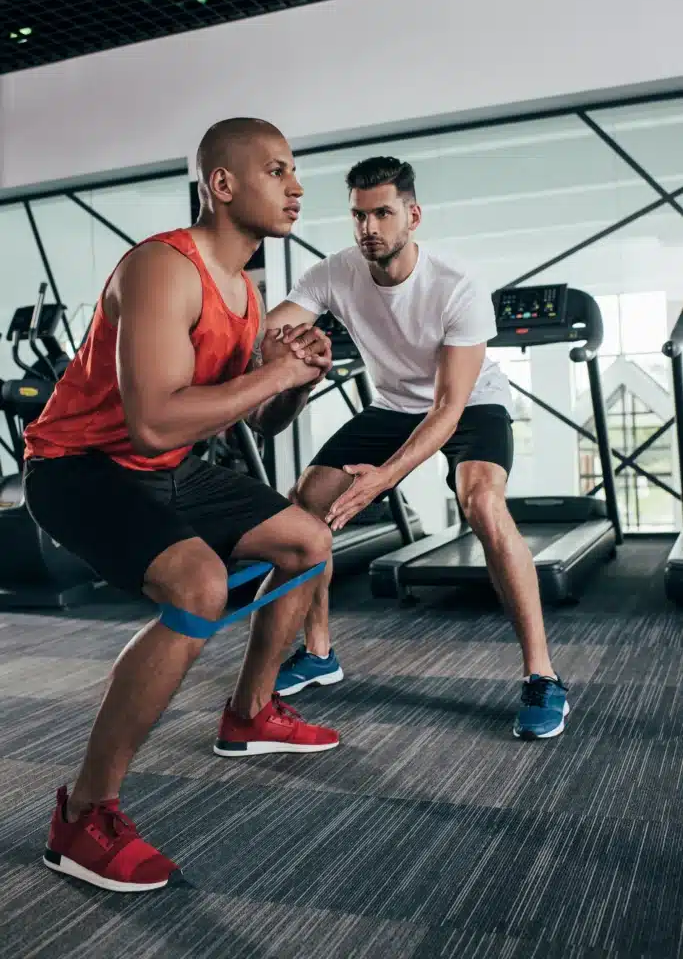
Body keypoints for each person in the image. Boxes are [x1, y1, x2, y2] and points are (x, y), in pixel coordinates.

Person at [22, 117, 340, 894]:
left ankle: (251, 713)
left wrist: (294, 384)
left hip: (164, 466)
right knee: (197, 586)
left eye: (294, 171)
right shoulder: (163, 267)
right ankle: (83, 815)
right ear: (221, 185)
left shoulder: (246, 289)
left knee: (306, 543)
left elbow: (250, 416)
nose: (295, 186)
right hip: (77, 467)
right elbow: (157, 418)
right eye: (276, 170)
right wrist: (269, 376)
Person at [267, 156, 569, 740]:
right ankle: (320, 651)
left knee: (481, 503)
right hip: (392, 405)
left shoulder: (457, 287)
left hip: (468, 402)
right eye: (359, 215)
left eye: (382, 213)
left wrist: (382, 479)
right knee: (308, 500)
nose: (369, 228)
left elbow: (448, 411)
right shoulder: (333, 273)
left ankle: (542, 675)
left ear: (412, 214)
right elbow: (269, 329)